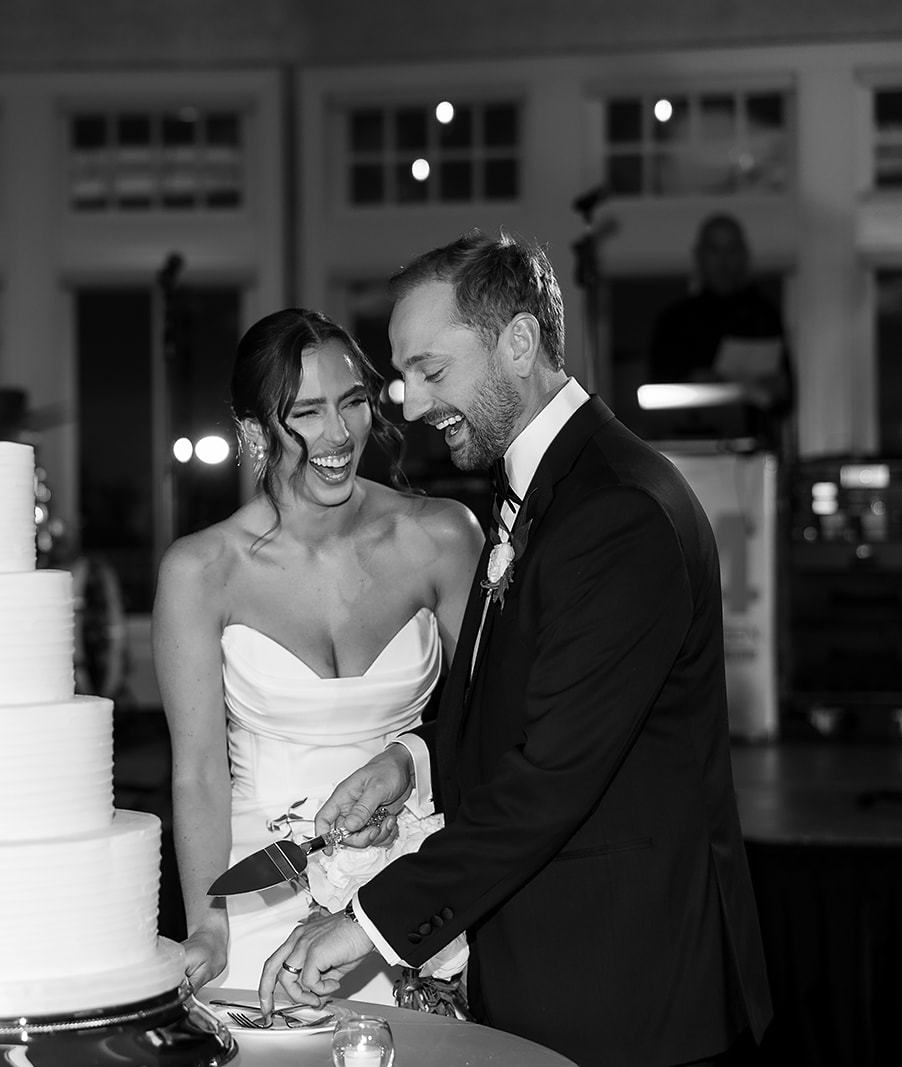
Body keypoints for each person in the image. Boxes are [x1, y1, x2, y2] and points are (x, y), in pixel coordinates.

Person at [260, 232, 772, 1067]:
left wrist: (367, 924)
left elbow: (550, 777)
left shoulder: (619, 511)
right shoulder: (533, 486)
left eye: (431, 370)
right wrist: (410, 764)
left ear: (521, 342)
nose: (412, 404)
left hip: (629, 992)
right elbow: (506, 702)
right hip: (554, 973)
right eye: (404, 375)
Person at [152, 308, 482, 1000]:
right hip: (257, 891)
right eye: (306, 412)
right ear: (253, 431)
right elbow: (200, 773)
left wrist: (418, 784)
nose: (338, 434)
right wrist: (208, 924)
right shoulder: (201, 570)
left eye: (354, 401)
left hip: (411, 889)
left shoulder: (444, 537)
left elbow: (488, 727)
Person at [648, 213, 792, 445]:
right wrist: (695, 385)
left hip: (754, 449)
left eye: (731, 250)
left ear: (744, 256)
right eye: (714, 250)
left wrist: (775, 388)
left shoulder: (764, 315)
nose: (723, 261)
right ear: (699, 256)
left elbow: (788, 395)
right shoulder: (674, 321)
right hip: (690, 448)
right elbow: (654, 396)